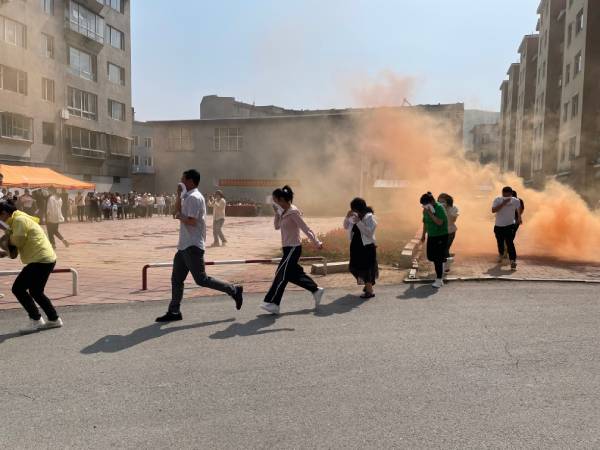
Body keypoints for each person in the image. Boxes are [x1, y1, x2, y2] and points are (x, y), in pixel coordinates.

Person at [155, 170, 244, 322]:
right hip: (184, 246)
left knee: (201, 279)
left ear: (190, 181)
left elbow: (192, 221)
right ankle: (174, 311)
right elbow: (175, 212)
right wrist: (178, 195)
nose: (180, 182)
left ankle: (234, 290)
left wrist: (179, 216)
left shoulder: (194, 198)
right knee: (176, 279)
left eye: (182, 179)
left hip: (192, 246)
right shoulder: (187, 196)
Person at [260, 185, 324, 315]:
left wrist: (317, 242)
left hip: (293, 248)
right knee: (292, 275)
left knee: (281, 274)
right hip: (287, 249)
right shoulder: (283, 212)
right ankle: (316, 290)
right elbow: (277, 227)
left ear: (282, 199)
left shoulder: (293, 212)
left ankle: (273, 303)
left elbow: (306, 228)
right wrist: (277, 213)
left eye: (276, 200)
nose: (275, 203)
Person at [0, 201, 63, 332]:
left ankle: (36, 319)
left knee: (18, 289)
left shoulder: (19, 220)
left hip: (40, 260)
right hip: (45, 259)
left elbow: (18, 241)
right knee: (36, 292)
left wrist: (5, 240)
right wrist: (6, 252)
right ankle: (54, 319)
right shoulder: (18, 219)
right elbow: (19, 245)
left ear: (4, 213)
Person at [344, 197, 378, 299]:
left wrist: (359, 222)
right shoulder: (354, 216)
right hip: (355, 245)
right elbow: (346, 226)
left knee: (366, 268)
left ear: (359, 208)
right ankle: (369, 284)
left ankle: (369, 291)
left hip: (367, 246)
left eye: (354, 209)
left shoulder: (369, 217)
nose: (353, 211)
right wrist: (347, 217)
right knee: (353, 267)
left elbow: (369, 233)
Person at [419, 192, 449, 288]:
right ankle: (445, 262)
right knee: (431, 256)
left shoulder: (439, 208)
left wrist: (430, 213)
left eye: (425, 204)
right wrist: (423, 235)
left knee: (437, 259)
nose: (423, 206)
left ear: (431, 202)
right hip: (432, 236)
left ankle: (439, 279)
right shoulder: (425, 210)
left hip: (441, 236)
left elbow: (439, 222)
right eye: (423, 205)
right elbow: (425, 223)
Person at [492, 186, 522, 270]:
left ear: (511, 194)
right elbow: (493, 210)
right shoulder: (497, 199)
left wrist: (519, 218)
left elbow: (518, 209)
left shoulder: (516, 200)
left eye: (508, 195)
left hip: (510, 225)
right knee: (500, 243)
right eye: (504, 194)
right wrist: (503, 203)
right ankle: (501, 254)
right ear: (502, 193)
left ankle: (513, 261)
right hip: (498, 225)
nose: (506, 196)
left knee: (510, 243)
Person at [438, 193, 459, 272]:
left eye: (443, 201)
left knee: (445, 248)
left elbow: (453, 220)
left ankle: (446, 266)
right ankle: (448, 260)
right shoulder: (437, 208)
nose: (441, 203)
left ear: (448, 201)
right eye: (439, 201)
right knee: (441, 249)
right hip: (439, 232)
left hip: (450, 231)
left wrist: (446, 210)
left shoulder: (454, 208)